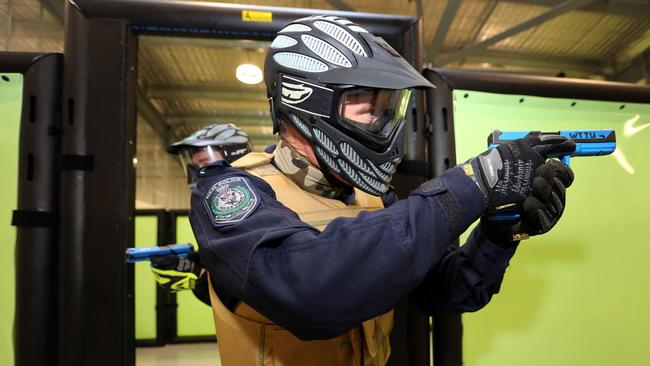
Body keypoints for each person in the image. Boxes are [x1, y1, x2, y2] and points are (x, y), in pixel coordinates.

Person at [188, 15, 576, 366]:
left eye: (385, 108)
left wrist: (499, 233)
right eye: (364, 106)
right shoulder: (230, 192)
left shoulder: (373, 199)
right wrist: (473, 182)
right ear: (307, 100)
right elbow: (309, 291)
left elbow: (448, 292)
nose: (380, 121)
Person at [149, 123, 253, 305]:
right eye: (194, 165)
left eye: (205, 163)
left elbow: (258, 289)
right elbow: (231, 259)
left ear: (236, 158)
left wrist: (199, 276)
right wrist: (195, 261)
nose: (197, 173)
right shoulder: (229, 208)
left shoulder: (254, 206)